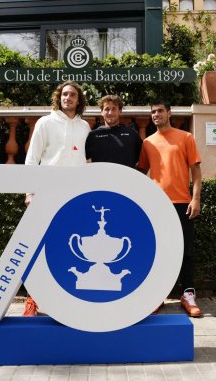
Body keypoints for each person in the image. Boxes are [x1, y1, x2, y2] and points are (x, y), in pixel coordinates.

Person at [23, 80, 91, 316]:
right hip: (46, 194)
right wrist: (30, 192)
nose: (67, 98)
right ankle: (32, 300)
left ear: (78, 100)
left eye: (72, 95)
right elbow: (32, 158)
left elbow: (87, 162)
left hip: (74, 199)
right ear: (58, 97)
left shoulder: (85, 127)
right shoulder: (45, 122)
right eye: (64, 94)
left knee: (69, 248)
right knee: (39, 248)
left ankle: (64, 298)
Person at [138, 100, 203, 318]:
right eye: (153, 112)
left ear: (169, 113)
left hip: (183, 203)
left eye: (160, 111)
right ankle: (158, 296)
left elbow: (196, 172)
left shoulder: (186, 138)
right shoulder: (147, 142)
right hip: (156, 206)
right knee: (157, 252)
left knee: (187, 252)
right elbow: (142, 172)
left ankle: (188, 294)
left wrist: (196, 199)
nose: (156, 115)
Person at [85, 94, 142, 168]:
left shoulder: (132, 134)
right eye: (107, 109)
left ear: (120, 111)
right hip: (102, 178)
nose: (110, 113)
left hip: (127, 179)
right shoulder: (93, 136)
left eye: (114, 109)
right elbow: (82, 159)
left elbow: (143, 159)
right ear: (101, 112)